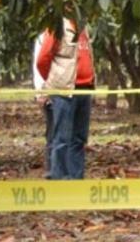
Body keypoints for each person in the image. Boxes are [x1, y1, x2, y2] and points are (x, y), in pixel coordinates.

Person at [36, 14, 95, 180]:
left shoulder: (83, 26)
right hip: (64, 91)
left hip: (84, 90)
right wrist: (54, 80)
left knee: (79, 138)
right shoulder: (58, 26)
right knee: (62, 137)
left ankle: (76, 179)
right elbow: (42, 59)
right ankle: (59, 179)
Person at [32, 31, 53, 179]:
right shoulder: (45, 37)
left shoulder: (75, 34)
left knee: (67, 136)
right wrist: (41, 90)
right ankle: (53, 171)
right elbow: (39, 64)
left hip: (69, 92)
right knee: (53, 134)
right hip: (51, 92)